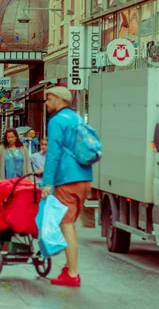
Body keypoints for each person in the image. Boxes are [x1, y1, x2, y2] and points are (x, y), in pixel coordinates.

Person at [41, 86, 92, 288]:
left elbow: (53, 154)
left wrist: (47, 183)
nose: (46, 103)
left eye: (49, 98)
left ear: (60, 100)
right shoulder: (77, 119)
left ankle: (72, 273)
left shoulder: (56, 121)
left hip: (67, 179)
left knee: (66, 225)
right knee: (70, 223)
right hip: (84, 177)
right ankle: (70, 267)